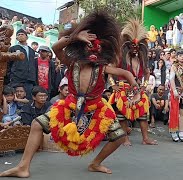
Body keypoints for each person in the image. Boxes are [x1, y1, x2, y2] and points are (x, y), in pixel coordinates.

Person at [0, 11, 141, 177]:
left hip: (97, 107)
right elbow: (55, 47)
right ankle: (23, 167)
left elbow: (127, 74)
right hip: (70, 104)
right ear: (81, 47)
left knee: (118, 137)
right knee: (37, 124)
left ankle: (95, 163)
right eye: (88, 46)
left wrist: (136, 90)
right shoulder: (72, 62)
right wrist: (75, 36)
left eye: (96, 47)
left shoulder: (102, 68)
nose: (92, 50)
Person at [108, 19, 157, 146]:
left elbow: (147, 73)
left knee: (143, 113)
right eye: (133, 47)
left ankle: (145, 138)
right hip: (122, 88)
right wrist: (113, 84)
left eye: (137, 48)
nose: (135, 50)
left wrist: (144, 87)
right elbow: (109, 69)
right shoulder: (119, 57)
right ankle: (124, 138)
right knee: (122, 114)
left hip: (138, 89)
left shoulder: (142, 60)